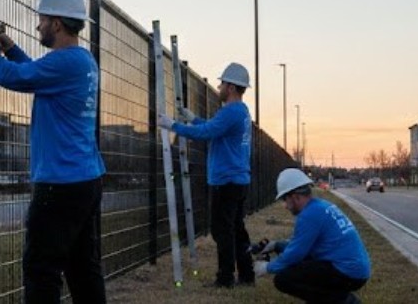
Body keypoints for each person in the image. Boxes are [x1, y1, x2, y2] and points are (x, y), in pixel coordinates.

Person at [0, 0, 106, 304]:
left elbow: (13, 77)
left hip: (59, 185)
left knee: (41, 270)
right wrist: (8, 47)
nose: (37, 25)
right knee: (83, 268)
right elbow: (32, 73)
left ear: (56, 23)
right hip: (84, 180)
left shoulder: (65, 62)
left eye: (41, 19)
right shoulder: (81, 61)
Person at [158, 62, 253, 287]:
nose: (219, 87)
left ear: (230, 87)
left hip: (226, 181)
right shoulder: (242, 111)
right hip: (238, 180)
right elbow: (213, 127)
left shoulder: (231, 112)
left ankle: (225, 278)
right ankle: (247, 275)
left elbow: (207, 132)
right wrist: (192, 118)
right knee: (237, 230)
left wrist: (172, 125)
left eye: (222, 83)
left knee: (223, 232)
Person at [252, 168, 370, 304]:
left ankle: (344, 301)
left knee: (284, 279)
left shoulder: (308, 215)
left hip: (348, 273)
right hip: (355, 269)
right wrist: (276, 245)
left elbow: (294, 255)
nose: (285, 206)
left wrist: (266, 267)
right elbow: (302, 245)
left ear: (295, 196)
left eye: (285, 199)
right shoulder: (320, 206)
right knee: (302, 267)